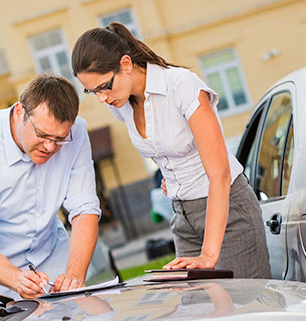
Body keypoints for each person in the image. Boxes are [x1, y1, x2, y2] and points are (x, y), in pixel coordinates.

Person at [71, 23, 269, 278]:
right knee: (199, 313)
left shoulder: (182, 86)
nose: (101, 98)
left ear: (126, 64)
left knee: (245, 310)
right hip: (183, 217)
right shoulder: (121, 104)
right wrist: (174, 178)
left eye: (104, 86)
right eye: (92, 91)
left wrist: (209, 255)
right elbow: (168, 149)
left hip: (229, 213)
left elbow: (219, 174)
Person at [0, 74, 101, 299]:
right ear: (19, 111)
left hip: (51, 258)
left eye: (59, 139)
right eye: (42, 135)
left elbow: (85, 209)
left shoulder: (76, 132)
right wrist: (17, 279)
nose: (50, 147)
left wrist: (74, 275)